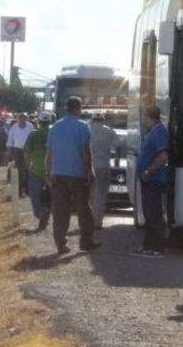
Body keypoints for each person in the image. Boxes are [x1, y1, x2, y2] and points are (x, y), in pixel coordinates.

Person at [45, 96, 99, 254]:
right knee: (83, 210)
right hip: (77, 174)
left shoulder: (55, 127)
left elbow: (49, 152)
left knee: (60, 211)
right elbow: (85, 152)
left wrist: (47, 173)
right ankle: (86, 241)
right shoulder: (82, 127)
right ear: (79, 108)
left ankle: (60, 244)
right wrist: (89, 172)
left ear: (66, 108)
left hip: (58, 174)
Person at [134, 106, 170, 258]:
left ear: (149, 116)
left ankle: (158, 248)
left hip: (153, 180)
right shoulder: (153, 131)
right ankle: (148, 246)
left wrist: (148, 171)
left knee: (154, 214)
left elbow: (163, 156)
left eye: (143, 116)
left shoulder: (159, 131)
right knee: (149, 214)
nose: (142, 119)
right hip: (148, 180)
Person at [87, 112, 118, 229]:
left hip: (89, 166)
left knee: (90, 195)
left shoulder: (87, 130)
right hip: (104, 166)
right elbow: (118, 146)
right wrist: (116, 160)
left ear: (92, 120)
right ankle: (98, 221)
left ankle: (90, 220)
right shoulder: (109, 131)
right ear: (102, 120)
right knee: (102, 195)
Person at [23, 112, 53, 230]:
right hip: (52, 171)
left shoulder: (33, 135)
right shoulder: (53, 134)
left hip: (36, 170)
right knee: (50, 197)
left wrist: (28, 165)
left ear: (38, 122)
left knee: (34, 196)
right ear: (50, 122)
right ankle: (46, 215)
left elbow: (26, 152)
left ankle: (40, 213)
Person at [7, 113, 35, 197]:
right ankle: (19, 191)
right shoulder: (14, 127)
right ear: (18, 119)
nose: (22, 121)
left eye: (24, 119)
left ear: (26, 119)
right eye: (21, 119)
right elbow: (10, 140)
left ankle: (27, 190)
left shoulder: (30, 126)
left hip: (28, 150)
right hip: (17, 150)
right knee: (18, 171)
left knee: (27, 170)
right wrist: (9, 152)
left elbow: (33, 138)